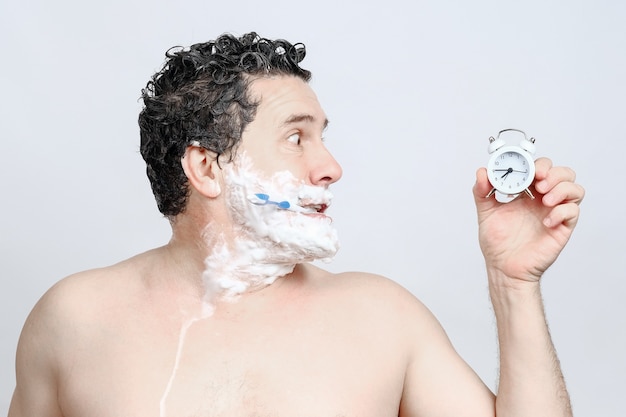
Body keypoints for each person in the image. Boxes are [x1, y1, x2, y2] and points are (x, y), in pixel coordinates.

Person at [8, 32, 584, 417]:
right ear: (207, 167)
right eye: (296, 137)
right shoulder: (73, 319)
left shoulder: (382, 318)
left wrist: (514, 283)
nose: (330, 167)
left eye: (322, 136)